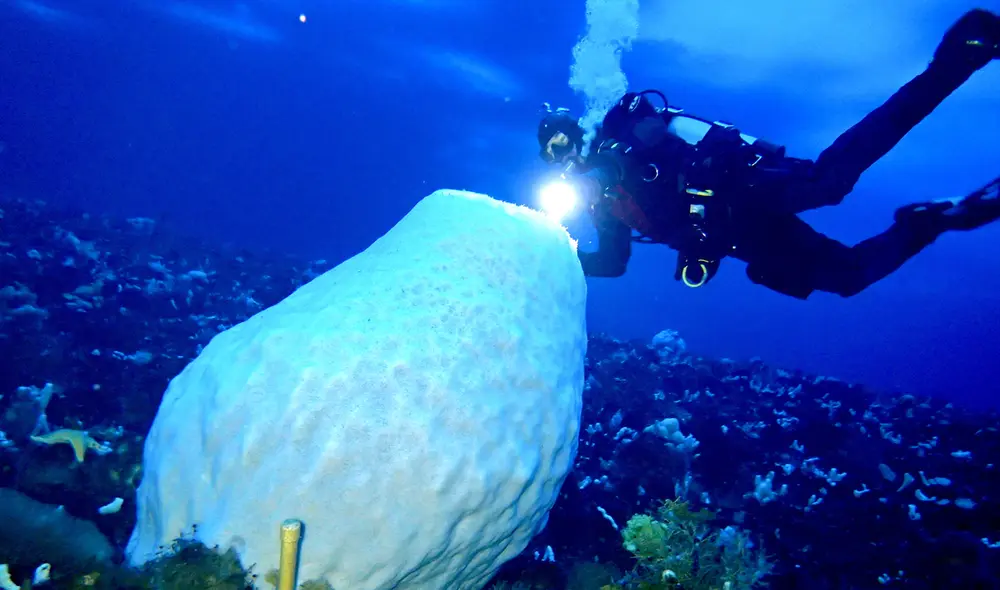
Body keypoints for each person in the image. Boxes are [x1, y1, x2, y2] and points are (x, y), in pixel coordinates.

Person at [536, 8, 1000, 299]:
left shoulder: (625, 126)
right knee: (847, 278)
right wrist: (556, 257)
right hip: (733, 235)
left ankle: (955, 62)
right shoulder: (604, 207)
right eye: (552, 156)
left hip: (740, 186)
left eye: (563, 143)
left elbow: (650, 144)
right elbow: (614, 264)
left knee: (830, 183)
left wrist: (612, 162)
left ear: (580, 131)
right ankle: (930, 221)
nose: (564, 158)